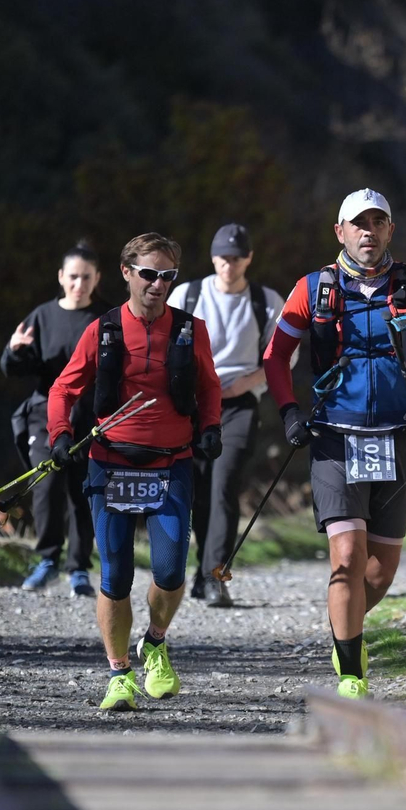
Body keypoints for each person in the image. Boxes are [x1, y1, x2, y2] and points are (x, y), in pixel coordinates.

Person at [262, 189, 406, 699]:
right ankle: (351, 672)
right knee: (346, 558)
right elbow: (275, 357)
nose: (368, 231)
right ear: (340, 232)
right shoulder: (313, 289)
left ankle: (343, 626)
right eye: (358, 223)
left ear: (390, 230)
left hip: (398, 435)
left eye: (378, 222)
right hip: (335, 437)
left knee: (380, 570)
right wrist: (289, 413)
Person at [47, 233, 223, 712]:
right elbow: (62, 390)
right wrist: (61, 435)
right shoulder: (102, 330)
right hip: (112, 463)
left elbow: (209, 389)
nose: (159, 284)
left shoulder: (191, 330)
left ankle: (157, 643)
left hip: (172, 463)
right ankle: (119, 674)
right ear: (126, 273)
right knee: (116, 575)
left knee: (169, 571)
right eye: (149, 274)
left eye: (167, 276)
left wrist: (210, 428)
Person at [167, 223, 284, 607]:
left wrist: (244, 382)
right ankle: (199, 574)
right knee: (197, 489)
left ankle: (215, 575)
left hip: (238, 404)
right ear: (213, 258)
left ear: (248, 258)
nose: (228, 266)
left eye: (236, 259)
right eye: (222, 258)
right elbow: (167, 345)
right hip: (194, 404)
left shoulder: (266, 301)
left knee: (224, 486)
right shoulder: (188, 295)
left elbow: (280, 357)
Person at [0, 242, 109, 597]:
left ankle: (78, 569)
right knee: (46, 487)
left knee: (84, 492)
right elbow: (15, 366)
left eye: (86, 277)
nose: (79, 284)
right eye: (73, 277)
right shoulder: (42, 317)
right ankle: (47, 560)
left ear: (97, 279)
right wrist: (14, 351)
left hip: (90, 418)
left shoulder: (108, 318)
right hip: (45, 415)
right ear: (61, 277)